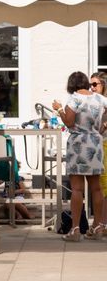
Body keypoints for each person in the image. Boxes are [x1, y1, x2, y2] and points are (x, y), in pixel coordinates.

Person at [52, 71, 106, 241]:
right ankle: (98, 226)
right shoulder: (100, 99)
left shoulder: (75, 98)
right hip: (95, 143)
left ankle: (75, 230)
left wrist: (59, 109)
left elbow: (68, 122)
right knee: (96, 187)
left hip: (78, 144)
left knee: (77, 188)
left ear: (72, 85)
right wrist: (102, 128)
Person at [90, 71, 107, 230]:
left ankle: (101, 223)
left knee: (103, 185)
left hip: (105, 144)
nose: (92, 87)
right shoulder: (95, 102)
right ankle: (99, 223)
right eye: (91, 85)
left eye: (95, 84)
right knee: (101, 185)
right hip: (99, 144)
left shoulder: (104, 102)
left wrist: (99, 130)